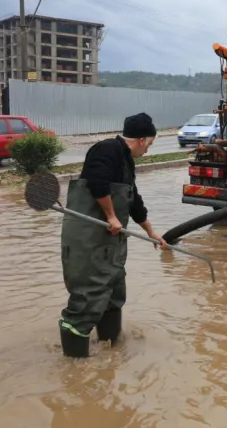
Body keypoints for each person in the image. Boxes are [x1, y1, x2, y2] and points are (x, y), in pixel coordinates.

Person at [58, 112, 168, 358]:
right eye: (150, 144)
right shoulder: (106, 150)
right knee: (88, 297)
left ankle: (111, 349)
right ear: (141, 140)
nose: (148, 151)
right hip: (89, 242)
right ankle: (75, 368)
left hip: (111, 244)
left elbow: (134, 201)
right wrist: (111, 216)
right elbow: (97, 182)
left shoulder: (126, 161)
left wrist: (151, 232)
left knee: (113, 293)